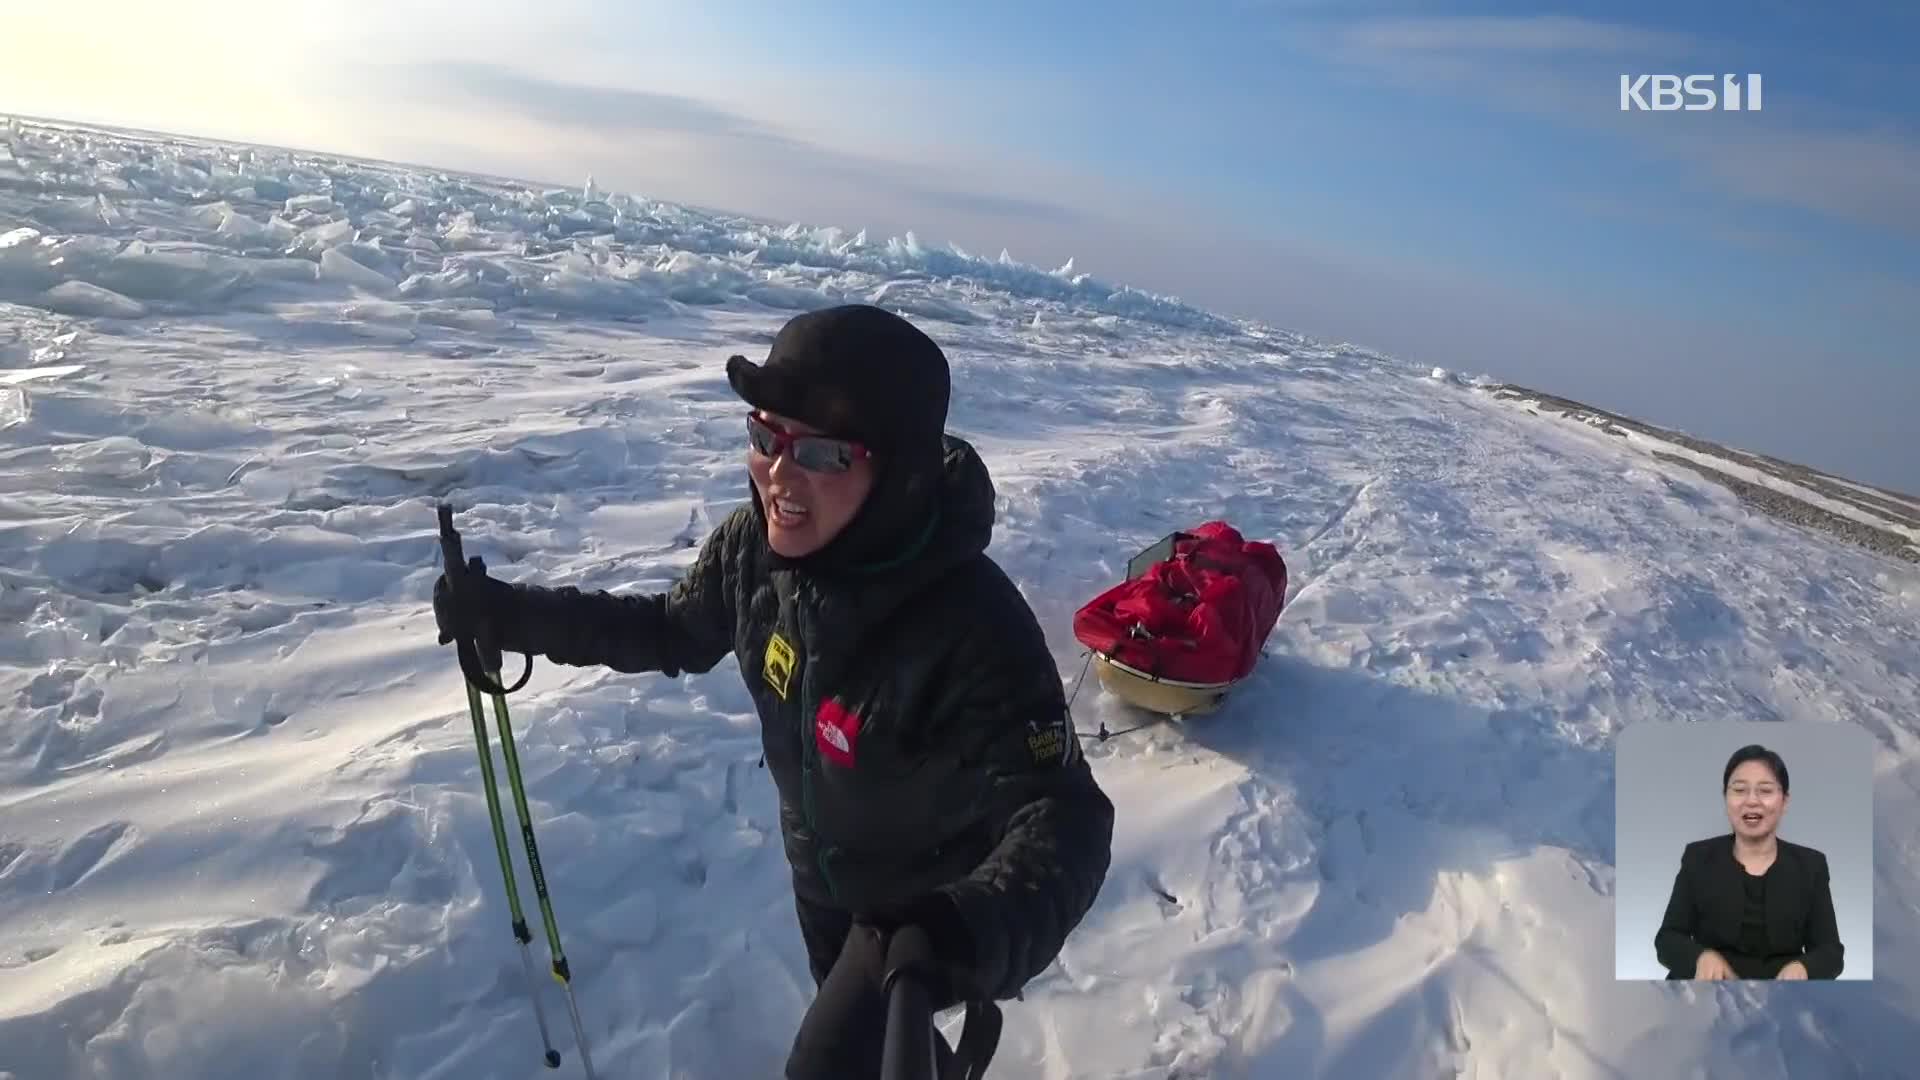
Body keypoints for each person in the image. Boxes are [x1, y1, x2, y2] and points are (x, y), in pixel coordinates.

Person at [433, 303, 1117, 1077]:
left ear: (897, 473)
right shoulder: (754, 553)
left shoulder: (973, 628)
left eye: (822, 454)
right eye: (766, 437)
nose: (779, 476)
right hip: (820, 876)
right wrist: (513, 616)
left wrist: (965, 927)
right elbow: (672, 629)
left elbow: (1067, 816)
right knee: (867, 1026)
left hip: (911, 916)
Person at [1653, 744, 1844, 980]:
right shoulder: (1698, 858)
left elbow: (1831, 952)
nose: (1752, 801)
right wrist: (1700, 957)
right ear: (1726, 798)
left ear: (1784, 801)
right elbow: (1668, 939)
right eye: (1739, 790)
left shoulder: (1810, 865)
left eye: (1765, 790)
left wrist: (1804, 968)